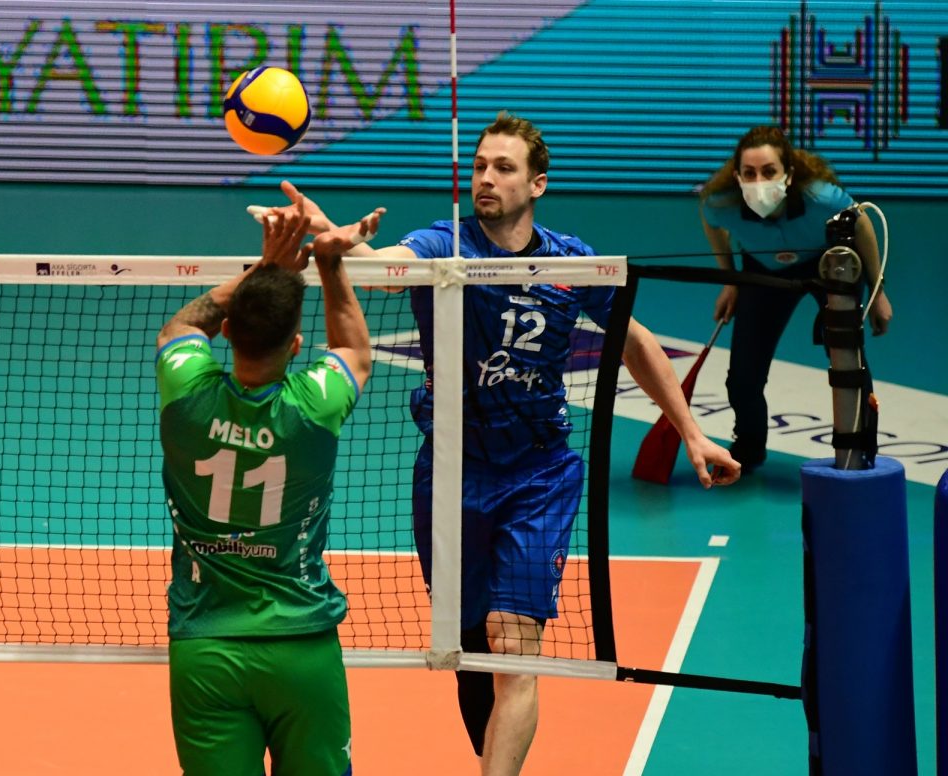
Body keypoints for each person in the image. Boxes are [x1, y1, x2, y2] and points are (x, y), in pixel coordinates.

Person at [269, 111, 740, 776]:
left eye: (504, 167)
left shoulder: (569, 261)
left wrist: (691, 432)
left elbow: (633, 341)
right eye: (480, 166)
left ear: (537, 183)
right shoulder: (445, 243)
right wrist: (335, 241)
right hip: (450, 472)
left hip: (539, 474)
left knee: (513, 646)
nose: (486, 178)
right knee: (467, 648)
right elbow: (383, 268)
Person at [155, 194, 383, 776]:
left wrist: (265, 270)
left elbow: (183, 326)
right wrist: (328, 263)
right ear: (297, 346)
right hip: (301, 646)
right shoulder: (314, 405)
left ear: (229, 331)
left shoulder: (185, 392)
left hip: (205, 649)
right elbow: (355, 352)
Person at [700, 125, 893, 472]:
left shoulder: (822, 198)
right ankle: (748, 449)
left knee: (849, 364)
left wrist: (877, 290)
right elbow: (711, 223)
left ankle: (861, 449)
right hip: (763, 269)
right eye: (749, 173)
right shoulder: (721, 202)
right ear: (737, 176)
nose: (759, 181)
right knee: (743, 377)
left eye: (769, 171)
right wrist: (730, 281)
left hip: (828, 265)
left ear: (788, 174)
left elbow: (861, 224)